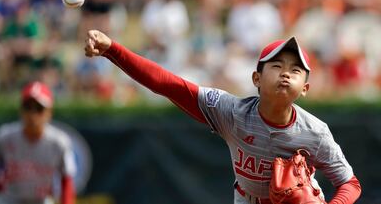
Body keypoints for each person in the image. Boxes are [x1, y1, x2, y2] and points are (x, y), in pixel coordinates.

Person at [83, 30, 362, 204]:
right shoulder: (230, 112)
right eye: (276, 65)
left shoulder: (315, 131)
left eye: (296, 70)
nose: (286, 73)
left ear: (306, 88)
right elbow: (167, 84)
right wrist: (112, 50)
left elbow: (349, 183)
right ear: (256, 78)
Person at [0, 81, 76, 204]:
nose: (33, 114)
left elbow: (67, 181)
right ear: (21, 110)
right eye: (28, 107)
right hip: (8, 200)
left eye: (39, 108)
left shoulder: (59, 142)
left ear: (49, 113)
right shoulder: (4, 136)